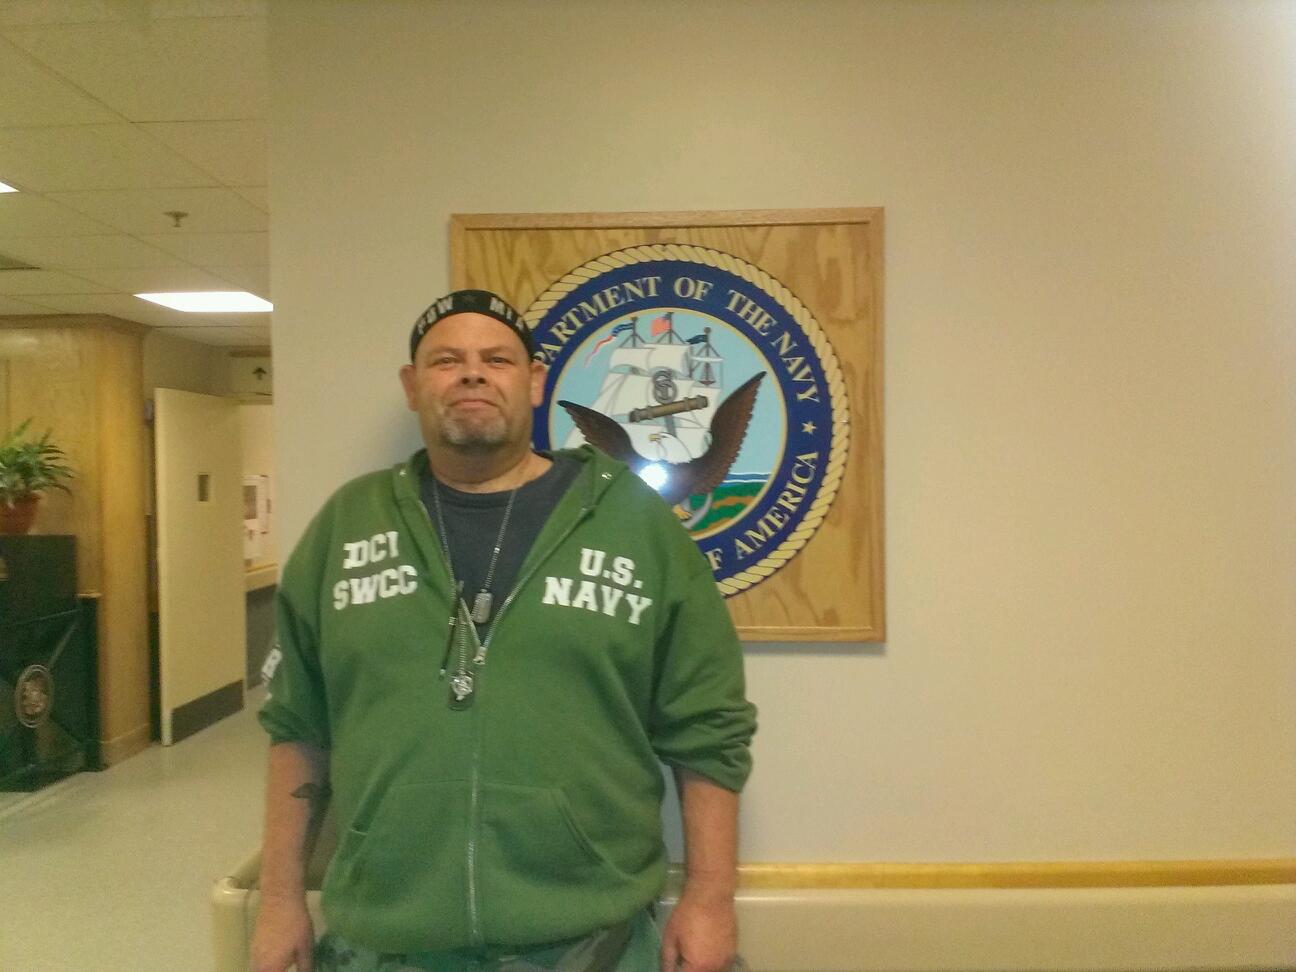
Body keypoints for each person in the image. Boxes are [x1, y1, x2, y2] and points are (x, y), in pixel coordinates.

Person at [251, 289, 757, 972]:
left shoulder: (635, 524)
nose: (472, 374)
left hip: (591, 943)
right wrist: (279, 898)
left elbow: (708, 725)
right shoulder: (347, 526)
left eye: (496, 359)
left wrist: (711, 898)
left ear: (535, 381)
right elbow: (297, 726)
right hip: (384, 942)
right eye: (446, 361)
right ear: (412, 385)